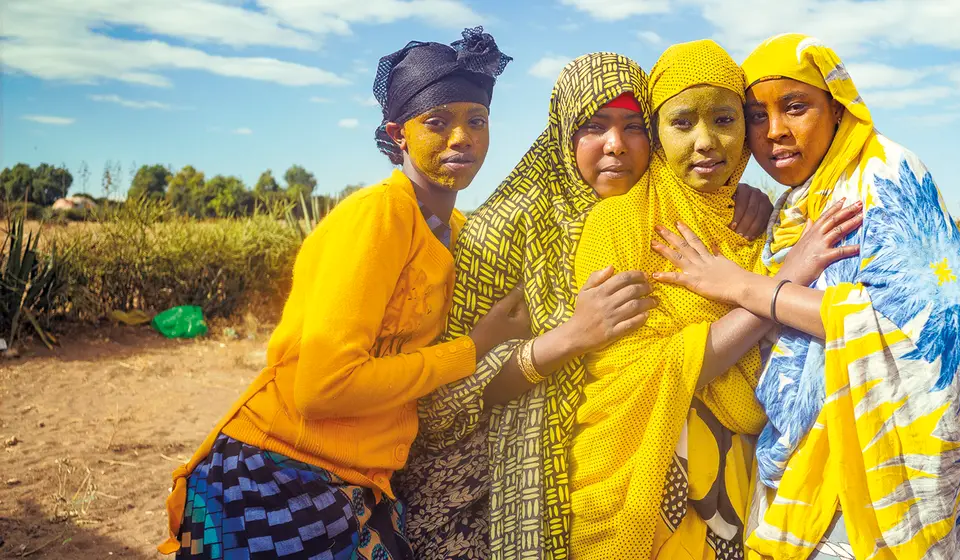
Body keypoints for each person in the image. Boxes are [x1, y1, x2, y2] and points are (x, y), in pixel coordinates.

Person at [650, 33, 960, 559]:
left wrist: (746, 286)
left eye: (796, 107)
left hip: (887, 471)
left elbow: (913, 329)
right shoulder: (791, 207)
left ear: (837, 107)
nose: (775, 132)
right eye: (757, 115)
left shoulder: (885, 178)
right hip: (811, 464)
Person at [157, 28, 529, 559]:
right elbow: (323, 387)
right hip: (278, 471)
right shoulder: (379, 215)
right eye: (437, 122)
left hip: (356, 479)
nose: (461, 138)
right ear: (399, 134)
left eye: (477, 120)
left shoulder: (457, 231)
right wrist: (473, 349)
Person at [397, 52, 775, 559]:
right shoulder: (502, 231)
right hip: (487, 492)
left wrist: (749, 199)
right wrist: (569, 338)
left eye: (634, 127)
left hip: (609, 466)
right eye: (593, 127)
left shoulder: (661, 213)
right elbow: (440, 402)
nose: (615, 146)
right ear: (563, 134)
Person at [567, 39, 860, 560]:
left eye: (724, 119)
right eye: (682, 123)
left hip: (748, 472)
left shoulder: (761, 221)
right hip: (651, 471)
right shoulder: (618, 223)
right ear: (657, 132)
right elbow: (635, 367)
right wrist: (779, 286)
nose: (706, 142)